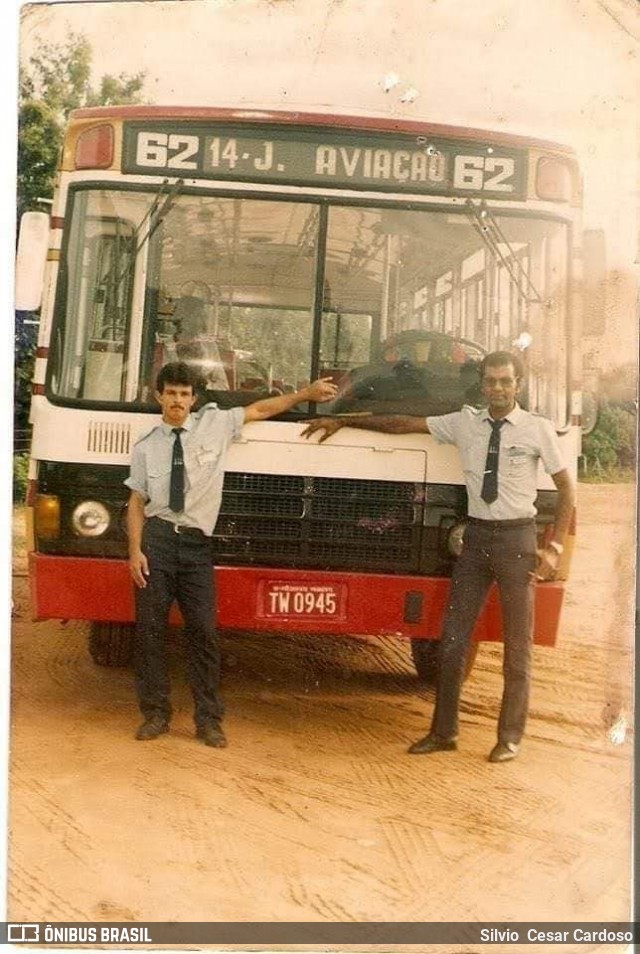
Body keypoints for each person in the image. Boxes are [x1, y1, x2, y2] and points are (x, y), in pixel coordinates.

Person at [302, 350, 574, 763]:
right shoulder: (464, 422)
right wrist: (342, 420)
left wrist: (553, 546)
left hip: (518, 540)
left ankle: (510, 738)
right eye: (491, 381)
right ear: (481, 384)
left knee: (518, 647)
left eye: (505, 381)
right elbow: (401, 424)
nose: (498, 388)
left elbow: (567, 488)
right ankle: (443, 732)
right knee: (452, 640)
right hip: (477, 538)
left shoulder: (536, 430)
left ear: (518, 385)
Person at [126, 361, 337, 747]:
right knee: (150, 634)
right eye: (170, 393)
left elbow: (261, 409)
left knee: (204, 633)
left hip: (195, 546)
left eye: (184, 394)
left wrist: (305, 394)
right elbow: (137, 500)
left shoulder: (216, 425)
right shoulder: (146, 445)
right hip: (156, 542)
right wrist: (135, 551)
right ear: (159, 396)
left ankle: (208, 721)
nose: (177, 401)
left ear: (193, 399)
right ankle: (155, 714)